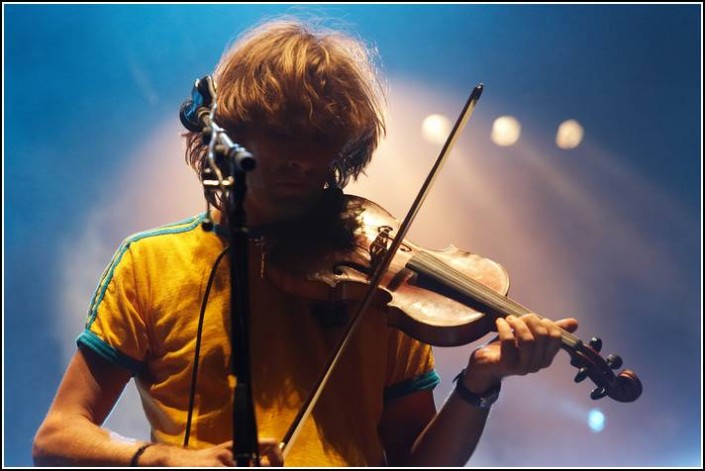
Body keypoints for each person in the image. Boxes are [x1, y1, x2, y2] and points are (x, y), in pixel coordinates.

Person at [33, 18, 578, 467]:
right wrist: (166, 459)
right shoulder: (150, 262)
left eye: (320, 138)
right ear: (232, 131)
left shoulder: (381, 280)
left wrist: (478, 383)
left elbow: (418, 464)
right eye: (279, 130)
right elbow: (56, 439)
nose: (301, 157)